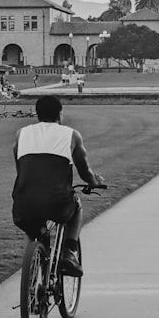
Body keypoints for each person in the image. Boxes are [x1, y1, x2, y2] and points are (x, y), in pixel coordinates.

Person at [12, 95, 104, 278]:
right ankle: (69, 251)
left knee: (33, 228)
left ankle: (32, 273)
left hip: (23, 203)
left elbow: (20, 168)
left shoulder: (21, 134)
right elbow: (84, 170)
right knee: (76, 204)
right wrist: (94, 182)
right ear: (60, 114)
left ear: (37, 114)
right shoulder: (71, 135)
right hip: (57, 201)